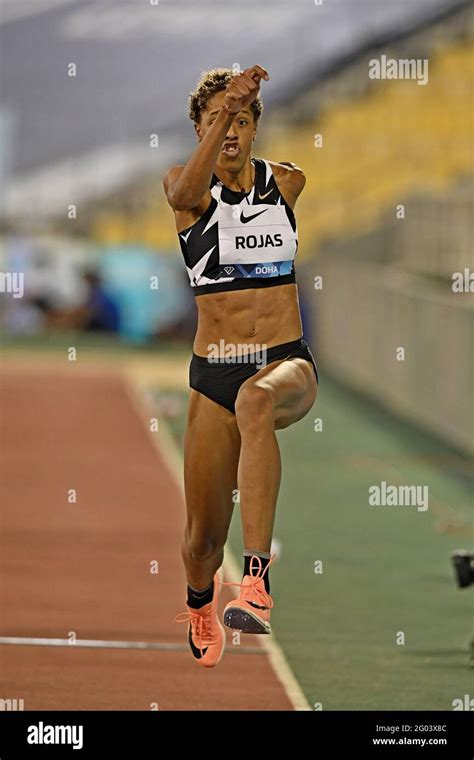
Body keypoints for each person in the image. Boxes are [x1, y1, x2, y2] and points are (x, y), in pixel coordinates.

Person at [164, 65, 318, 668]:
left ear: (257, 127)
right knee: (201, 539)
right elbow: (184, 197)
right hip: (214, 373)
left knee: (258, 399)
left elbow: (272, 171)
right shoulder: (185, 188)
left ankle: (255, 583)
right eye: (216, 122)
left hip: (284, 363)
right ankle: (201, 602)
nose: (230, 130)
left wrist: (236, 104)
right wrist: (225, 105)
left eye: (242, 120)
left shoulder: (287, 182)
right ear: (202, 129)